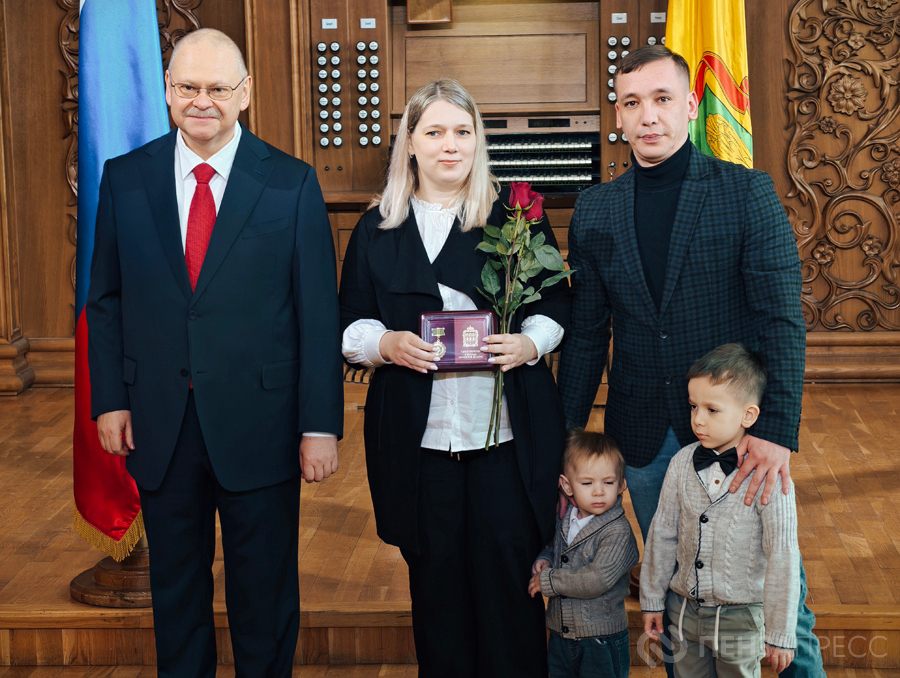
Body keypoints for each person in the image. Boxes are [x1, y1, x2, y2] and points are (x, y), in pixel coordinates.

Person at [557, 45, 823, 677]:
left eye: (662, 99)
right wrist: (564, 435)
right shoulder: (595, 209)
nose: (648, 115)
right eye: (632, 102)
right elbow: (587, 334)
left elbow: (781, 322)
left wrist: (776, 431)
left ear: (691, 104)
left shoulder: (747, 193)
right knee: (682, 589)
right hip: (646, 438)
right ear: (618, 116)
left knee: (777, 600)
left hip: (740, 438)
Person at [86, 29, 343, 677]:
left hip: (263, 424)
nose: (202, 101)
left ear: (245, 93)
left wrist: (320, 425)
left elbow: (318, 315)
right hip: (159, 421)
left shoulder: (290, 183)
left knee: (264, 594)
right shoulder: (125, 179)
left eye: (218, 88)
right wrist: (110, 399)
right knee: (176, 593)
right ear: (167, 91)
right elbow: (106, 300)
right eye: (188, 87)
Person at [338, 78, 571, 677]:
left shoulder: (515, 218)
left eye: (463, 132)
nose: (450, 145)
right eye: (435, 131)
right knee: (436, 593)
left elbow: (557, 305)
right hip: (420, 447)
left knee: (509, 592)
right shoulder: (376, 228)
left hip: (504, 443)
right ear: (410, 143)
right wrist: (385, 344)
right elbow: (348, 323)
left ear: (478, 141)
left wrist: (528, 343)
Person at [641, 344, 799, 677]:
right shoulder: (680, 462)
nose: (698, 419)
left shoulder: (770, 477)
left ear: (748, 415)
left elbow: (783, 554)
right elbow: (662, 533)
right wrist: (652, 599)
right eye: (693, 406)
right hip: (683, 612)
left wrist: (780, 633)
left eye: (712, 410)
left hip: (741, 620)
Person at [529, 429, 639, 678]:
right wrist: (545, 559)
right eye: (587, 483)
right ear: (567, 486)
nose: (598, 491)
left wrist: (550, 581)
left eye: (608, 482)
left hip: (601, 641)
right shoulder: (566, 518)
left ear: (622, 484)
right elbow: (557, 549)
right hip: (561, 636)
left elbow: (596, 579)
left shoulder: (617, 532)